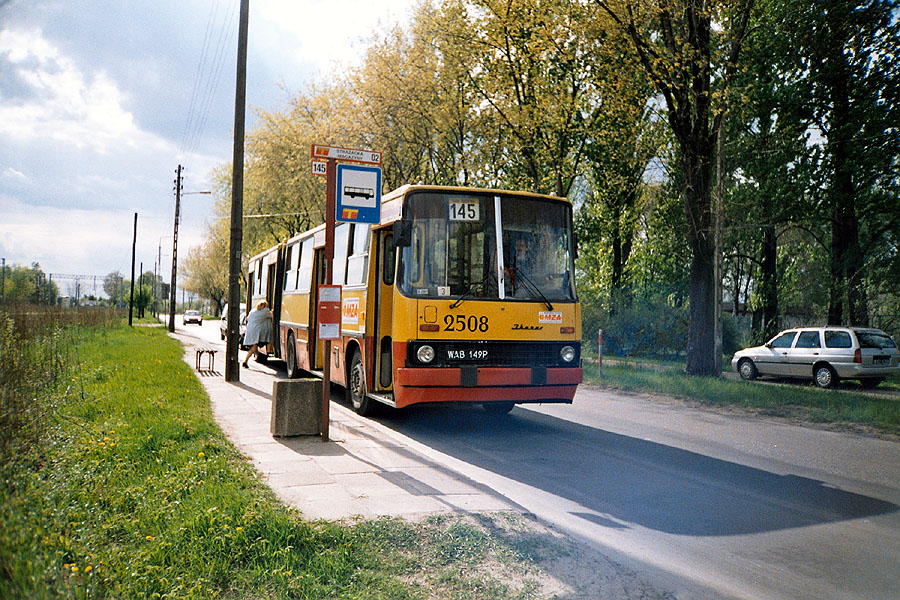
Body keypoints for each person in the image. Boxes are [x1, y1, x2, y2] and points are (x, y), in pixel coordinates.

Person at [242, 300, 273, 368]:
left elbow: (248, 318)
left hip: (251, 332)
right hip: (257, 333)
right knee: (269, 340)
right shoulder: (265, 311)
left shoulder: (252, 311)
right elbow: (272, 316)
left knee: (253, 347)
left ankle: (245, 361)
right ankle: (269, 353)